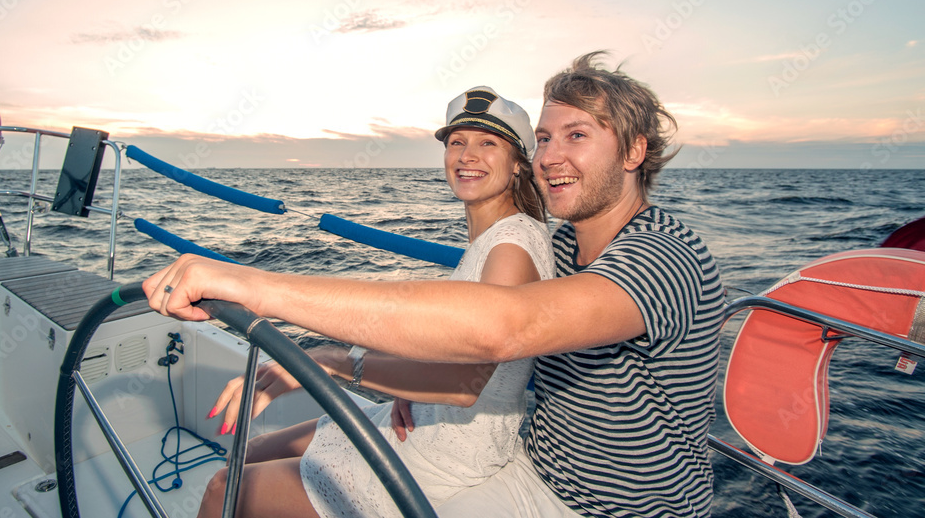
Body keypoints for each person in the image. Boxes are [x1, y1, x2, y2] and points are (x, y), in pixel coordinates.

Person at [147, 51, 726, 518]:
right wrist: (408, 378)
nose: (552, 155)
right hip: (535, 468)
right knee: (243, 474)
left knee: (231, 491)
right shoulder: (567, 245)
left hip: (617, 510)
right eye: (545, 138)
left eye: (576, 135)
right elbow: (468, 334)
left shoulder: (662, 256)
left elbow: (502, 329)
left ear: (633, 151)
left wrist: (260, 292)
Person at [189, 86, 556, 518]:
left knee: (222, 489)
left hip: (445, 456)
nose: (467, 155)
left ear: (517, 164)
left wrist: (334, 361)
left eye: (488, 143)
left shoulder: (511, 246)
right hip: (419, 420)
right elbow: (448, 337)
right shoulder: (494, 238)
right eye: (457, 142)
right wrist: (406, 388)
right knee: (246, 455)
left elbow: (465, 384)